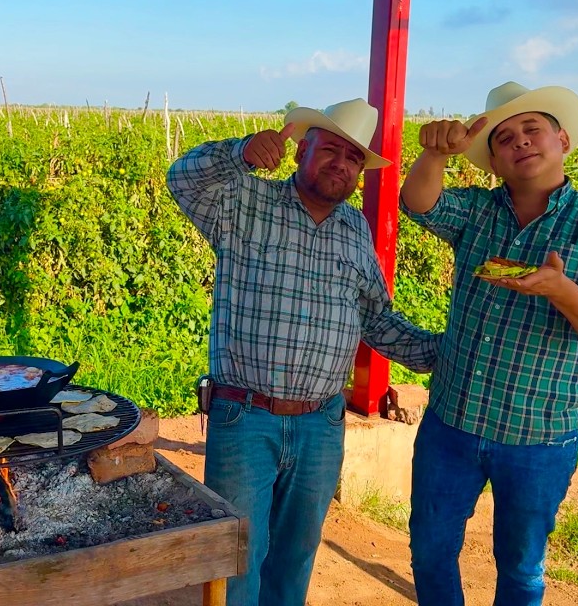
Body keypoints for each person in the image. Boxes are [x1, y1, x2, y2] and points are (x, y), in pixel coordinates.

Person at [167, 98, 438, 606]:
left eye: (353, 157)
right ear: (300, 152)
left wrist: (439, 353)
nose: (341, 163)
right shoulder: (245, 203)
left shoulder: (355, 230)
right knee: (237, 557)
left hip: (322, 425)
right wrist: (241, 153)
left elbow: (375, 318)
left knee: (295, 557)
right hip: (245, 418)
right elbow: (181, 179)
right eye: (329, 149)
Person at [399, 81, 578, 606]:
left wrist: (560, 288)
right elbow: (419, 204)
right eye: (505, 138)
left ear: (563, 141)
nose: (520, 142)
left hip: (538, 434)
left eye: (532, 129)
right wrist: (434, 155)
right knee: (431, 551)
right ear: (496, 161)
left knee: (521, 567)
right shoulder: (477, 212)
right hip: (452, 422)